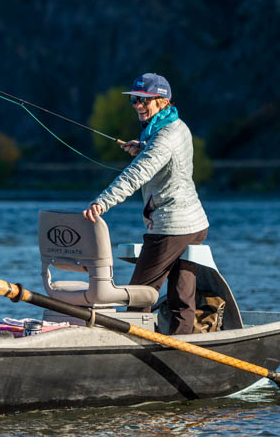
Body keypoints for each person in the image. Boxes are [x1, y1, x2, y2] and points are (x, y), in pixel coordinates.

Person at [82, 73, 210, 335]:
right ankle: (181, 345)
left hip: (171, 228)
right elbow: (166, 155)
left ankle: (130, 350)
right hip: (193, 224)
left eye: (144, 100)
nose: (138, 106)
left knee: (139, 297)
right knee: (180, 297)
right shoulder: (175, 126)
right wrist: (143, 146)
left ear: (162, 101)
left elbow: (135, 175)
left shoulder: (163, 138)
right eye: (135, 101)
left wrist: (102, 203)